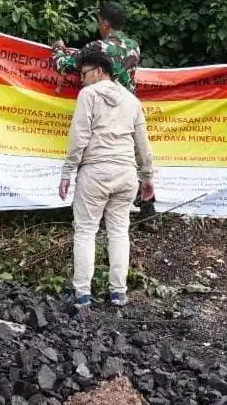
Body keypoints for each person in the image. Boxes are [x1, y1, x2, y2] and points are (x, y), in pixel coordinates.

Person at [58, 48, 155, 308]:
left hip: (96, 172)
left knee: (86, 232)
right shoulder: (131, 100)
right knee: (119, 233)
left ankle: (82, 294)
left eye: (84, 73)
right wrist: (147, 177)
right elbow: (142, 144)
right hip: (125, 174)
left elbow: (79, 137)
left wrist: (67, 172)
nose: (81, 78)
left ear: (99, 72)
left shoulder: (88, 95)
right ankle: (118, 293)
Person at [51, 2, 158, 229]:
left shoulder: (97, 48)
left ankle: (92, 216)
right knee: (133, 154)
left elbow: (64, 65)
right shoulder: (134, 47)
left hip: (102, 111)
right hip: (127, 110)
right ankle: (148, 211)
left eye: (99, 22)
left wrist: (58, 48)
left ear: (106, 24)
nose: (98, 26)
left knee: (96, 156)